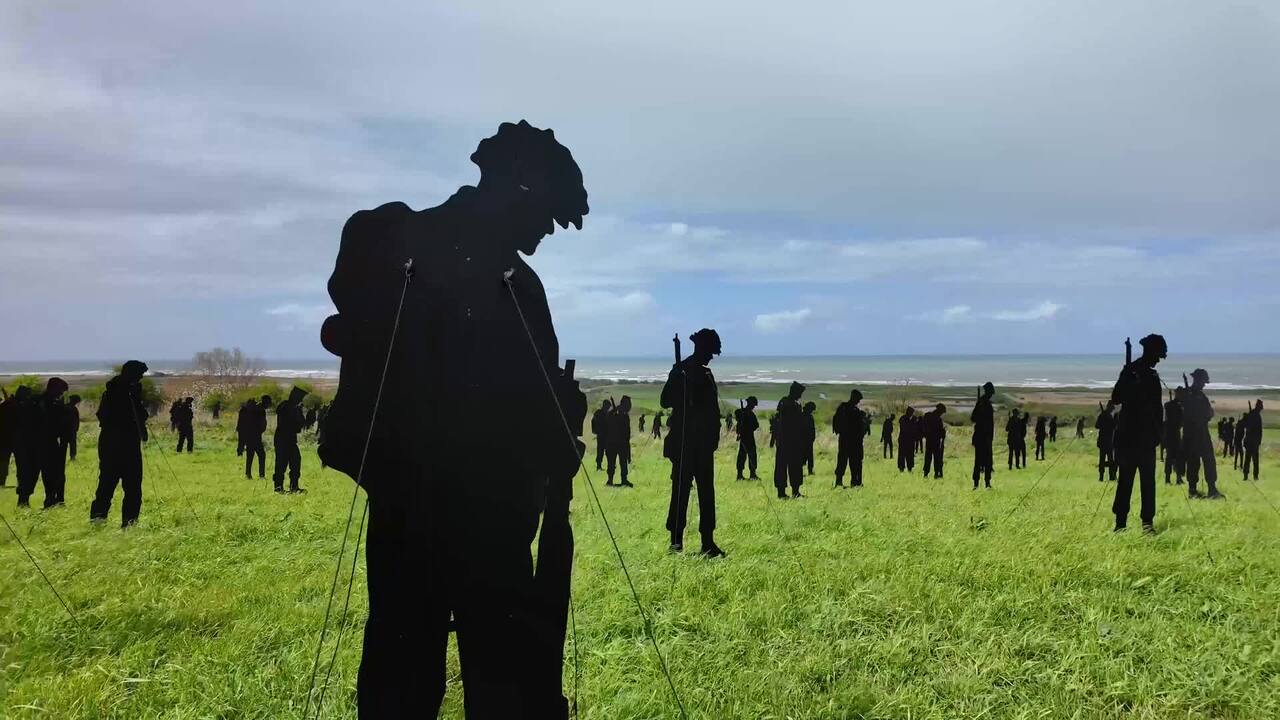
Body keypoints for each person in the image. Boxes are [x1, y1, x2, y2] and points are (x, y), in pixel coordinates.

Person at [318, 120, 590, 717]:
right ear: (519, 186)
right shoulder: (425, 250)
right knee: (487, 676)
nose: (546, 231)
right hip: (474, 517)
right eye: (546, 213)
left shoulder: (413, 246)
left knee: (407, 669)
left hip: (421, 510)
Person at [662, 328, 726, 556]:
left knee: (707, 493)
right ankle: (676, 541)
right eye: (710, 351)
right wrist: (676, 380)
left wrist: (714, 436)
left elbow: (712, 409)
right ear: (701, 348)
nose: (712, 356)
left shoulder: (706, 373)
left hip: (704, 443)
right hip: (684, 442)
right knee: (680, 492)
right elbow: (665, 400)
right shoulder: (682, 370)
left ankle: (707, 542)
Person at [1111, 334, 1166, 534]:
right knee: (1125, 481)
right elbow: (1117, 398)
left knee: (1148, 483)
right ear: (1149, 352)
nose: (1158, 360)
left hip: (1147, 437)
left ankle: (1147, 523)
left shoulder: (1151, 376)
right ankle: (1120, 523)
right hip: (1128, 436)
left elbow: (1157, 408)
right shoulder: (1130, 371)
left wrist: (1158, 433)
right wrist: (1129, 381)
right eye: (1157, 355)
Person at [90, 361, 149, 527]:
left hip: (125, 444)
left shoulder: (129, 391)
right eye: (139, 375)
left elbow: (141, 415)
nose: (140, 378)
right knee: (108, 486)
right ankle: (99, 521)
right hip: (114, 445)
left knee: (131, 488)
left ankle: (129, 523)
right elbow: (104, 416)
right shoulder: (113, 392)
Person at [19, 378, 69, 508]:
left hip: (38, 445)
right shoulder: (46, 404)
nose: (60, 394)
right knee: (37, 475)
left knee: (41, 475)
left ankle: (40, 501)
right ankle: (33, 501)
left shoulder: (34, 402)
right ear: (53, 389)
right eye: (60, 391)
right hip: (41, 445)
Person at [1181, 369, 1222, 499]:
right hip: (1194, 432)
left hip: (1201, 430)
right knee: (1195, 461)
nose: (1204, 384)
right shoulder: (1190, 395)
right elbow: (1190, 414)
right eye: (1203, 381)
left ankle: (1211, 488)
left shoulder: (1200, 395)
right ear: (1197, 380)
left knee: (1208, 460)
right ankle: (1194, 489)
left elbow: (1208, 412)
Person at [773, 381, 807, 498]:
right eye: (800, 393)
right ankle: (783, 492)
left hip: (791, 441)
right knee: (784, 467)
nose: (800, 395)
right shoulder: (788, 404)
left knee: (794, 467)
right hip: (787, 440)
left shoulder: (789, 403)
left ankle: (794, 491)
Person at [273, 386, 307, 493]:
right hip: (283, 440)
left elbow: (301, 424)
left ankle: (294, 487)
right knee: (281, 464)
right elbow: (293, 424)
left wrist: (299, 412)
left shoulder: (294, 408)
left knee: (296, 463)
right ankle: (278, 487)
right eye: (299, 398)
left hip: (290, 440)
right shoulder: (285, 406)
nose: (300, 400)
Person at [833, 389, 868, 487]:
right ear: (853, 398)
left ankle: (853, 481)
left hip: (848, 440)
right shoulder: (848, 409)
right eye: (858, 399)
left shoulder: (845, 408)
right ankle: (846, 482)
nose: (858, 402)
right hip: (850, 440)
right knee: (846, 461)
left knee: (851, 461)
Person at [604, 396, 633, 487]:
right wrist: (615, 409)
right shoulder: (613, 414)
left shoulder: (625, 416)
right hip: (612, 443)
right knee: (611, 463)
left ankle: (624, 480)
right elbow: (607, 420)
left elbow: (627, 433)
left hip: (622, 443)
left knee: (623, 463)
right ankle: (610, 480)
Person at [970, 383, 995, 489]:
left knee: (988, 461)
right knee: (979, 461)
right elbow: (973, 418)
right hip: (981, 436)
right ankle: (976, 483)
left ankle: (987, 483)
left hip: (987, 436)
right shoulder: (981, 403)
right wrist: (981, 416)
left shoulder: (986, 402)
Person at [242, 395, 271, 479]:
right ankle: (261, 475)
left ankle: (248, 474)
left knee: (250, 455)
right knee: (262, 455)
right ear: (265, 402)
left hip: (249, 435)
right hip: (256, 436)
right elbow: (262, 424)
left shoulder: (254, 408)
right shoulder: (261, 410)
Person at [734, 396, 761, 480]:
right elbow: (755, 425)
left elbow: (755, 425)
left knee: (747, 455)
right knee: (747, 455)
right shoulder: (743, 413)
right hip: (746, 436)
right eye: (753, 405)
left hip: (746, 436)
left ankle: (747, 474)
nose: (753, 406)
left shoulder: (747, 413)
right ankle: (744, 475)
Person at [1162, 388, 1185, 485]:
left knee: (1175, 457)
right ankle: (1170, 478)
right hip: (1172, 433)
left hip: (1173, 433)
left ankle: (1176, 478)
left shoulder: (1176, 405)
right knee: (1172, 457)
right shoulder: (1174, 406)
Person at [922, 403, 946, 479]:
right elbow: (940, 431)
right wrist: (943, 432)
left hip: (930, 440)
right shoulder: (937, 419)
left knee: (929, 457)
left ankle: (927, 473)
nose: (942, 414)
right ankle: (936, 473)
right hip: (935, 441)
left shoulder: (928, 416)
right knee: (936, 458)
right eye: (942, 412)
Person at [1241, 400, 1263, 481]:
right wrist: (1258, 441)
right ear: (1259, 406)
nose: (1262, 408)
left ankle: (1247, 475)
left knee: (1249, 459)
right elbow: (1258, 430)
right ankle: (1253, 476)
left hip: (1251, 441)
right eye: (1261, 406)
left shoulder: (1253, 414)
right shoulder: (1256, 415)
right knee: (1253, 460)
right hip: (1252, 441)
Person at [1095, 403, 1118, 482]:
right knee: (1104, 460)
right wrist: (1104, 422)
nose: (1112, 410)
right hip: (1106, 442)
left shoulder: (1107, 416)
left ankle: (1111, 476)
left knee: (1110, 460)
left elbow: (1114, 426)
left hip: (1107, 441)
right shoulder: (1103, 416)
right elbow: (1097, 426)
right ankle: (1102, 476)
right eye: (1112, 408)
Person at [0, 388, 15, 486]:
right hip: (9, 439)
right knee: (4, 461)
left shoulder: (3, 408)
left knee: (3, 461)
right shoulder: (12, 408)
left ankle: (2, 481)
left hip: (4, 439)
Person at [590, 400, 610, 471]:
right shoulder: (600, 413)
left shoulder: (604, 413)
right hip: (602, 435)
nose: (608, 408)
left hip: (605, 435)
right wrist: (596, 431)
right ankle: (599, 466)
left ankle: (608, 465)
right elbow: (593, 421)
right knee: (601, 451)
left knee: (606, 451)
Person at [896, 407, 916, 473]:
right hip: (904, 439)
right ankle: (901, 468)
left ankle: (909, 468)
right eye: (911, 412)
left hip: (910, 440)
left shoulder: (913, 419)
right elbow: (905, 428)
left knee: (910, 455)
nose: (912, 414)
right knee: (902, 455)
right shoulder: (903, 419)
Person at [802, 401, 817, 476]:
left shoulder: (804, 415)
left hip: (808, 439)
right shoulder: (804, 416)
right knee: (805, 456)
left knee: (808, 456)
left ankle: (810, 470)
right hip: (804, 439)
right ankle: (808, 470)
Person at [65, 394, 82, 461]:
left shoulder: (65, 407)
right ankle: (72, 457)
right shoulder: (74, 409)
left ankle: (70, 457)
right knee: (72, 444)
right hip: (71, 429)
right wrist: (76, 428)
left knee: (65, 443)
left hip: (67, 429)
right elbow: (77, 420)